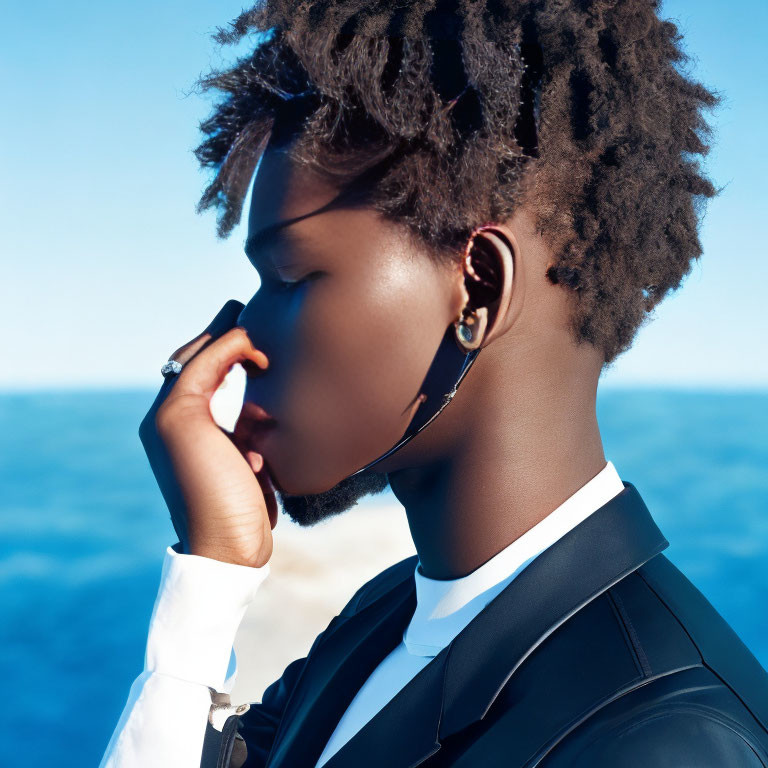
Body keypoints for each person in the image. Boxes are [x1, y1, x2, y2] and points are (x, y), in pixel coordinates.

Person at [99, 1, 768, 766]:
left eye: (288, 275)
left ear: (477, 290)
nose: (241, 339)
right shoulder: (386, 616)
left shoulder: (660, 741)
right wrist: (209, 578)